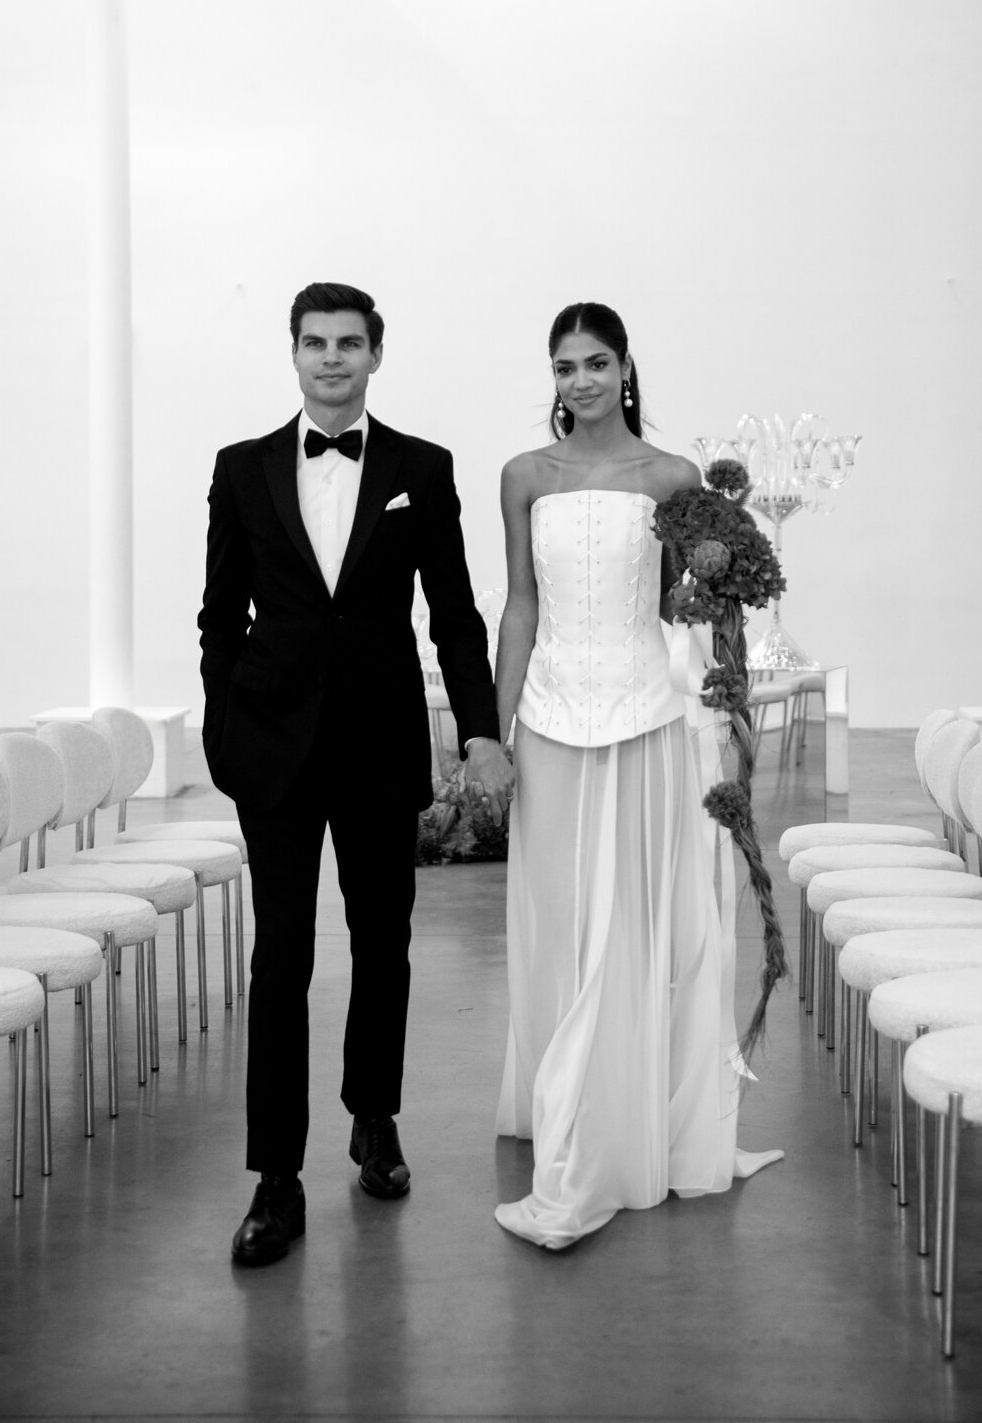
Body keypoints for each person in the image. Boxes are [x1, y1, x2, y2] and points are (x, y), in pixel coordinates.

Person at [199, 281, 513, 1267]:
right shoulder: (242, 469)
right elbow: (220, 615)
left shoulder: (424, 467)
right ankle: (275, 1180)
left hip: (380, 742)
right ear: (292, 355)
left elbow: (454, 614)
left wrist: (482, 732)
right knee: (281, 956)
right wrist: (223, 723)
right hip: (274, 747)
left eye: (349, 343)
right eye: (314, 343)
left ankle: (374, 1118)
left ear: (376, 354)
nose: (331, 358)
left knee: (386, 943)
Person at [492, 301, 784, 1250]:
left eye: (596, 362)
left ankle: (607, 1138)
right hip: (547, 723)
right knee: (567, 925)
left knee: (632, 927)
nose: (578, 379)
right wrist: (493, 735)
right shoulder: (523, 477)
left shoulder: (672, 477)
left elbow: (675, 608)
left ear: (625, 369)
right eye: (564, 365)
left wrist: (724, 627)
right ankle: (569, 1104)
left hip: (648, 723)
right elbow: (520, 607)